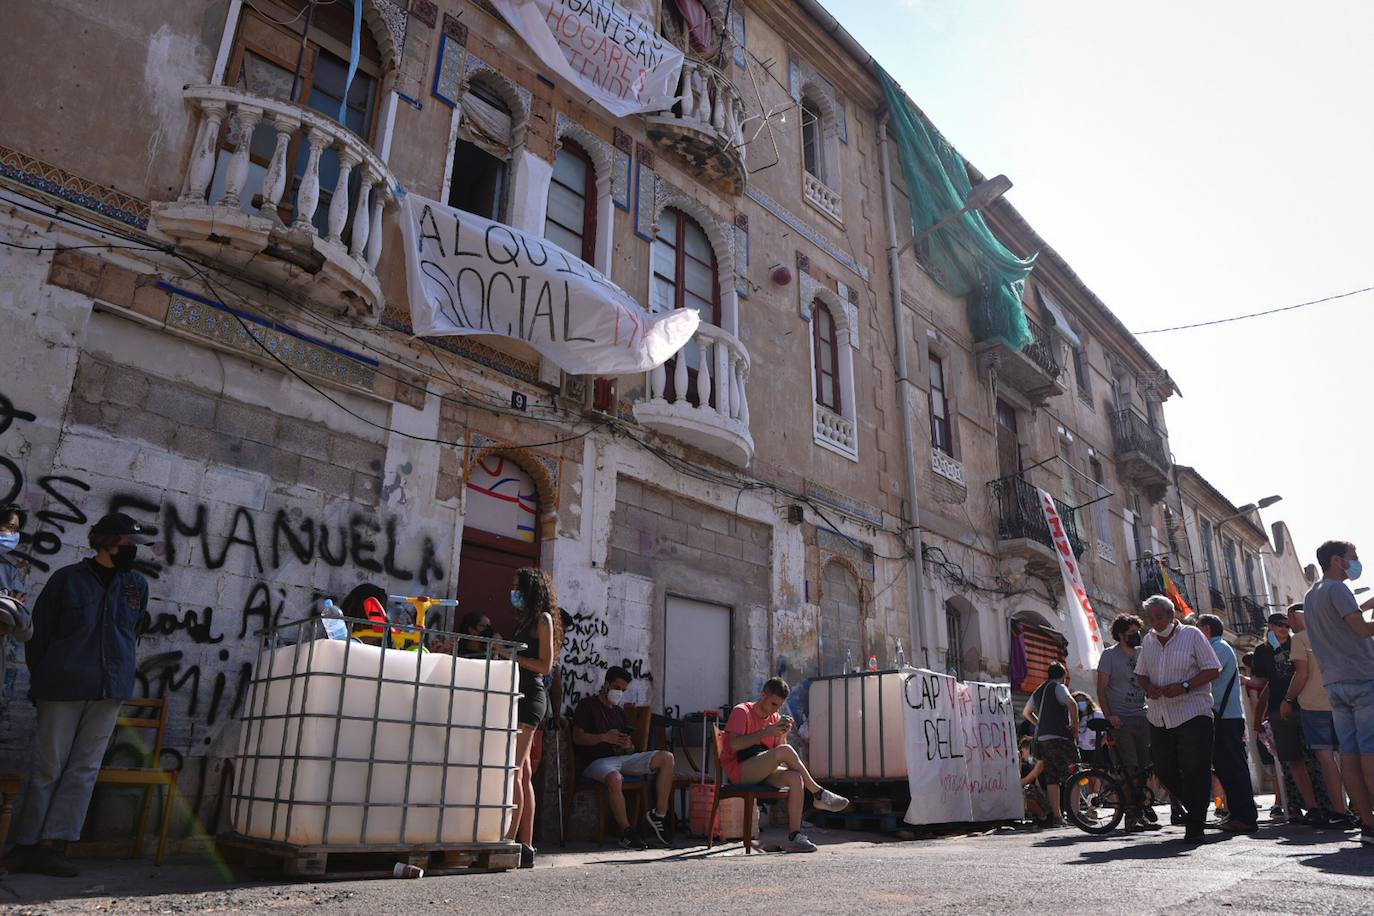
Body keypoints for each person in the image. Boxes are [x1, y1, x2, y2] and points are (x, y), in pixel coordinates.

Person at [11, 512, 152, 877]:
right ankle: (26, 845)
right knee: (48, 766)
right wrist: (45, 677)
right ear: (105, 542)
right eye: (126, 544)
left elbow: (131, 631)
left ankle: (56, 845)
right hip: (62, 685)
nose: (132, 552)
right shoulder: (67, 580)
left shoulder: (136, 585)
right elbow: (37, 636)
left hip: (109, 688)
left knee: (85, 768)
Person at [721, 677, 849, 853]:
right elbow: (734, 745)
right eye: (773, 704)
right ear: (763, 695)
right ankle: (818, 793)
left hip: (763, 768)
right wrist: (766, 731)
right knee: (787, 751)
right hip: (740, 770)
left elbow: (778, 751)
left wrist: (782, 733)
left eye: (779, 705)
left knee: (795, 778)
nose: (776, 709)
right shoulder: (742, 711)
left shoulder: (775, 717)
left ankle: (795, 836)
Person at [1301, 540, 1374, 846]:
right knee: (1370, 750)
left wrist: (1367, 606)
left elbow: (1342, 621)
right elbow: (1361, 630)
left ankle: (1368, 824)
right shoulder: (1338, 589)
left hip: (1335, 683)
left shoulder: (1311, 595)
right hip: (1361, 677)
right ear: (1336, 560)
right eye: (1352, 557)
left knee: (1350, 754)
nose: (1355, 562)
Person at [1134, 595, 1221, 843]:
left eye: (1159, 617)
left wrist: (1184, 686)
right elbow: (1140, 674)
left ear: (1172, 616)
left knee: (1195, 768)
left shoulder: (1192, 636)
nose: (1155, 622)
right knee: (1164, 769)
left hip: (1193, 712)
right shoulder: (1148, 641)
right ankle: (1196, 809)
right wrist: (1148, 686)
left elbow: (1213, 669)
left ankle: (1195, 823)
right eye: (1150, 618)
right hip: (1159, 715)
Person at [571, 666, 676, 848]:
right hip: (596, 762)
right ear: (606, 684)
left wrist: (628, 746)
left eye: (623, 690)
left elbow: (630, 750)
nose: (619, 693)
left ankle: (659, 815)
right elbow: (577, 737)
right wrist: (603, 737)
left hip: (621, 759)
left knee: (666, 758)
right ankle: (627, 832)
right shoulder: (588, 705)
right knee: (615, 778)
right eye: (617, 688)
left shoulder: (619, 713)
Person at [505, 568, 563, 868]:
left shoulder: (543, 620)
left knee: (514, 769)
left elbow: (545, 666)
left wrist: (511, 656)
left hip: (530, 700)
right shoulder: (524, 620)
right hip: (518, 696)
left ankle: (507, 841)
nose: (512, 591)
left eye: (517, 587)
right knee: (524, 773)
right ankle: (526, 846)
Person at [1286, 603, 1359, 828]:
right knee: (1348, 755)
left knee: (1326, 758)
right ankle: (1360, 807)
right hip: (1341, 700)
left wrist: (1288, 699)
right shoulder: (1337, 633)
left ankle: (1339, 810)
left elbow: (1302, 674)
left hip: (1314, 704)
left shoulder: (1301, 639)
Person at [1251, 611, 1323, 823]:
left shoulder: (1297, 643)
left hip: (1306, 705)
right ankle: (1308, 808)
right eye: (1279, 624)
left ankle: (1327, 805)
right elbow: (1265, 683)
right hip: (1278, 711)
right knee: (1292, 761)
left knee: (1317, 758)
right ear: (1270, 626)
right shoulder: (1261, 651)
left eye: (1287, 625)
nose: (1284, 628)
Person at [1195, 614, 1258, 832]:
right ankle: (1237, 814)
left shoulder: (1218, 648)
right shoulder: (1218, 647)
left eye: (1198, 630)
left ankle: (1246, 817)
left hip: (1226, 717)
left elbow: (1205, 673)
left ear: (1207, 629)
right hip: (1223, 716)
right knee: (1225, 768)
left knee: (1233, 768)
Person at [1096, 614, 1158, 831]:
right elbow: (1101, 689)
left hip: (1143, 717)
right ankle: (1131, 817)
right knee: (1129, 768)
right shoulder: (1109, 655)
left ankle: (1142, 810)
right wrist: (1109, 715)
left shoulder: (1142, 653)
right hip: (1120, 720)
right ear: (1121, 635)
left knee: (1144, 768)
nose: (1136, 636)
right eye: (1131, 633)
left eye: (1138, 632)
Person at [1022, 662, 1078, 825]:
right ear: (1063, 675)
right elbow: (1072, 703)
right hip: (1060, 737)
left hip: (1042, 740)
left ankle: (1058, 817)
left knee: (1052, 778)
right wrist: (1075, 725)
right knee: (1073, 774)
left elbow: (1026, 712)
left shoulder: (1038, 690)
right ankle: (1075, 815)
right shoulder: (1059, 686)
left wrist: (1040, 723)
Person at [0, 504, 33, 707]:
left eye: (16, 530)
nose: (12, 534)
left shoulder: (8, 571)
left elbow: (17, 622)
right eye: (10, 527)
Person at [1019, 737, 1050, 825]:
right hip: (1045, 796)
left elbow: (1028, 779)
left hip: (1046, 798)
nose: (1022, 755)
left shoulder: (1039, 763)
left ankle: (1043, 817)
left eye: (1022, 752)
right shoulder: (1032, 764)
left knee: (1025, 794)